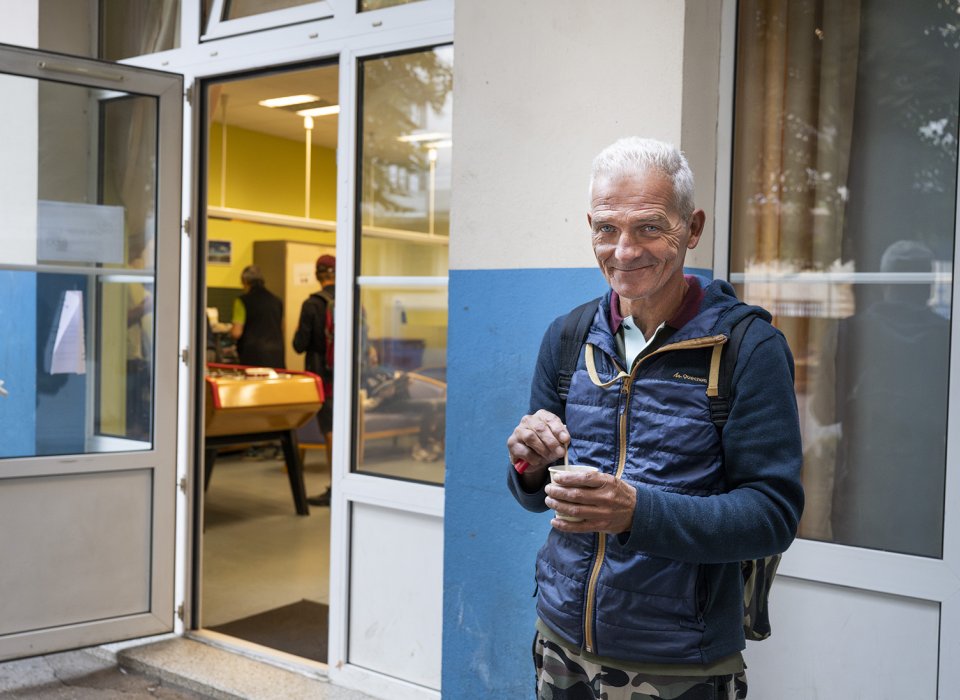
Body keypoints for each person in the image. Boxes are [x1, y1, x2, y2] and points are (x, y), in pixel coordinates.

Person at [506, 137, 804, 699]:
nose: (623, 252)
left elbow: (772, 515)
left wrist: (635, 513)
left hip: (679, 665)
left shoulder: (748, 348)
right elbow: (533, 491)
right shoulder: (569, 337)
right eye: (606, 229)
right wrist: (529, 462)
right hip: (560, 640)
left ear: (691, 229)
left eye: (649, 227)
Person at [293, 254, 337, 507]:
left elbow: (299, 345)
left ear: (317, 274)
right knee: (343, 429)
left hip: (323, 376)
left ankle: (335, 487)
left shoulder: (312, 304)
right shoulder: (352, 300)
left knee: (329, 430)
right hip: (348, 376)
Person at [230, 264, 285, 369]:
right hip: (276, 355)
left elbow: (236, 333)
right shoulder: (277, 301)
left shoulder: (242, 301)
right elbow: (282, 328)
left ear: (245, 282)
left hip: (253, 356)